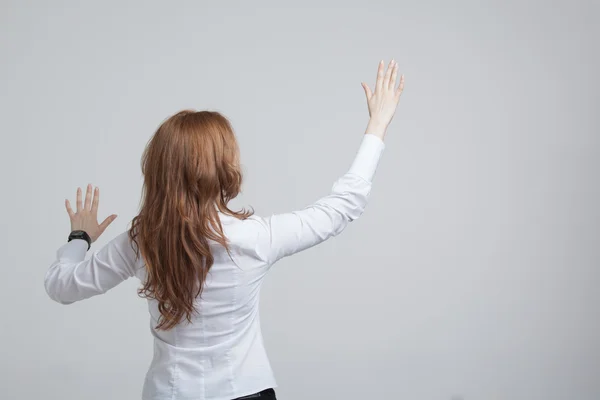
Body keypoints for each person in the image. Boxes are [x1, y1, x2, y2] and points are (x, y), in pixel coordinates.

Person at [44, 59, 405, 400]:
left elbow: (61, 287)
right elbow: (342, 207)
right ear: (222, 168)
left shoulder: (140, 243)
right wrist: (377, 127)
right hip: (247, 390)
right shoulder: (255, 237)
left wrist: (80, 238)